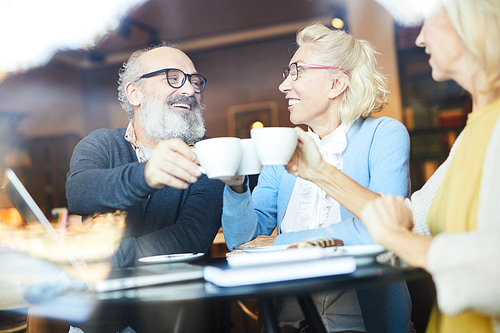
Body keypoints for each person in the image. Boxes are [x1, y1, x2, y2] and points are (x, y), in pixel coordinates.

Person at [287, 1, 500, 332]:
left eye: (430, 20)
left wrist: (399, 242)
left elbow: (492, 272)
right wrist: (319, 172)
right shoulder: (473, 133)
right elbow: (408, 217)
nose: (419, 39)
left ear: (471, 23)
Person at [221, 23, 412, 333]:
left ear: (335, 84)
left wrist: (280, 243)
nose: (284, 85)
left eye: (297, 72)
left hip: (365, 325)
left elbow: (378, 231)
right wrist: (237, 187)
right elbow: (243, 244)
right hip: (287, 325)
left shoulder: (384, 135)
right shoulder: (284, 147)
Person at [65, 43, 224, 333]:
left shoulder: (211, 155)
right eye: (174, 77)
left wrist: (105, 259)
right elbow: (79, 194)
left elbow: (190, 238)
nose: (189, 90)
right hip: (96, 323)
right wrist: (146, 175)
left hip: (173, 321)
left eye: (194, 80)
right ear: (134, 93)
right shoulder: (101, 144)